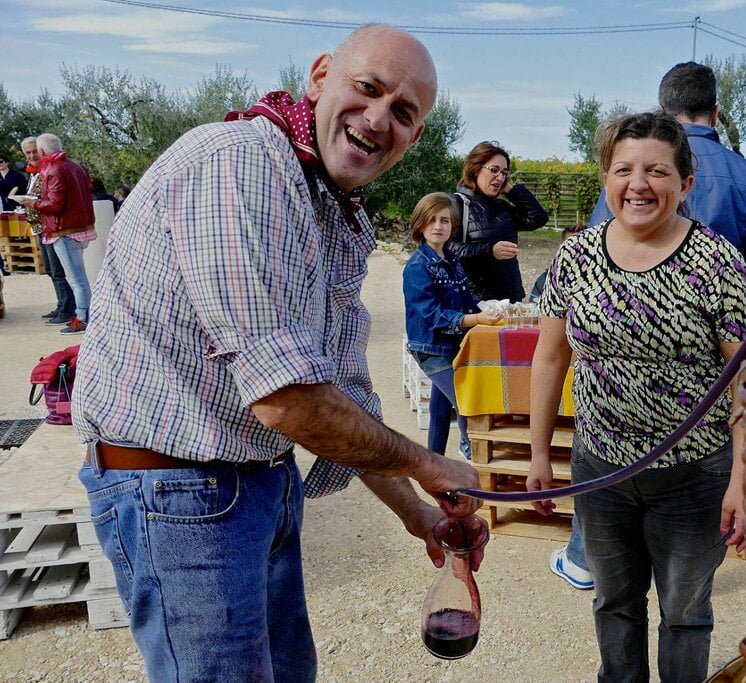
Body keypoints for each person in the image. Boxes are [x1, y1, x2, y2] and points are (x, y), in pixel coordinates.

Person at [72, 25, 482, 682]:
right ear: (320, 77)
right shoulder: (241, 164)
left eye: (403, 112)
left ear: (415, 138)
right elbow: (287, 398)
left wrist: (418, 510)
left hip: (259, 484)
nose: (378, 118)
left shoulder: (333, 210)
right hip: (176, 492)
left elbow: (341, 397)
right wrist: (431, 463)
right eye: (367, 88)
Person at [526, 112, 746, 682]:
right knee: (614, 604)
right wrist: (538, 454)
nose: (638, 183)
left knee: (683, 614)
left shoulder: (716, 261)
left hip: (694, 475)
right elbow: (551, 356)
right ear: (605, 178)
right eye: (624, 169)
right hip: (601, 470)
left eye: (657, 170)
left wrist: (744, 477)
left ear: (684, 184)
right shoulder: (576, 256)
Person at [558, 60, 746, 592]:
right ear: (716, 110)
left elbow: (601, 257)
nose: (641, 184)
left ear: (664, 108)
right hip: (704, 410)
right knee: (681, 600)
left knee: (633, 591)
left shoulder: (631, 164)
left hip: (640, 437)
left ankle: (582, 554)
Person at [590, 62, 746, 303]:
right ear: (715, 114)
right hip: (727, 328)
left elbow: (597, 250)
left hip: (631, 320)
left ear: (661, 111)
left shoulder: (628, 177)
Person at [403, 192, 502, 459]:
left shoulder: (452, 260)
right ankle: (471, 451)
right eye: (432, 220)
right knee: (465, 402)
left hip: (452, 344)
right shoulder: (417, 267)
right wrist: (475, 320)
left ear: (453, 226)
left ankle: (433, 462)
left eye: (445, 221)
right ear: (420, 225)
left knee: (439, 408)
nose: (438, 226)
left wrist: (486, 309)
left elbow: (466, 299)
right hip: (431, 348)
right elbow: (432, 315)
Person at [449, 141, 548, 302]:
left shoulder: (503, 207)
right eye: (494, 170)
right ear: (475, 169)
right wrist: (490, 251)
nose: (500, 177)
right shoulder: (457, 203)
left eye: (504, 172)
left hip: (510, 301)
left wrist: (510, 190)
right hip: (476, 303)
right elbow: (449, 248)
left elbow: (538, 218)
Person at [17, 133, 95, 335]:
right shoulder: (76, 166)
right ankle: (84, 315)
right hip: (81, 227)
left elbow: (55, 204)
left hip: (63, 230)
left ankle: (84, 318)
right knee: (78, 278)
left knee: (76, 280)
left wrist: (31, 202)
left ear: (42, 151)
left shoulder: (53, 169)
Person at [19, 137, 76, 324]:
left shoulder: (49, 170)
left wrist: (31, 202)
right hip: (39, 228)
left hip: (51, 227)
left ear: (41, 150)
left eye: (34, 151)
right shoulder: (32, 173)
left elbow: (53, 200)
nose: (32, 155)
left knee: (59, 270)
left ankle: (68, 309)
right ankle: (62, 305)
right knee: (51, 270)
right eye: (28, 153)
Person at [528, 222, 586, 303]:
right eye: (569, 245)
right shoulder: (546, 280)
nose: (574, 251)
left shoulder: (600, 281)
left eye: (580, 246)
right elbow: (534, 307)